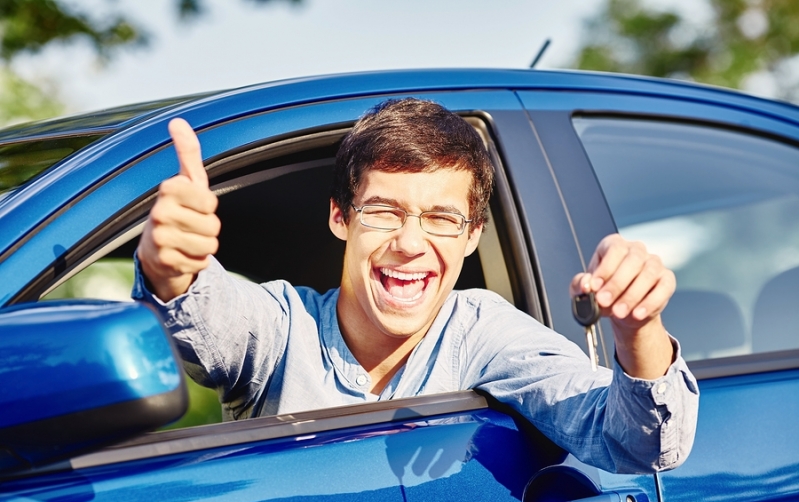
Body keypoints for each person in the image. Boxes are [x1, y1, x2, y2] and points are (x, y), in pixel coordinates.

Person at [133, 98, 698, 474]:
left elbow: (639, 443)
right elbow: (211, 316)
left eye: (442, 219)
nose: (409, 242)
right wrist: (172, 265)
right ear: (340, 218)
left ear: (472, 235)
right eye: (382, 211)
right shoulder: (283, 324)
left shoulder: (483, 330)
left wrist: (638, 328)